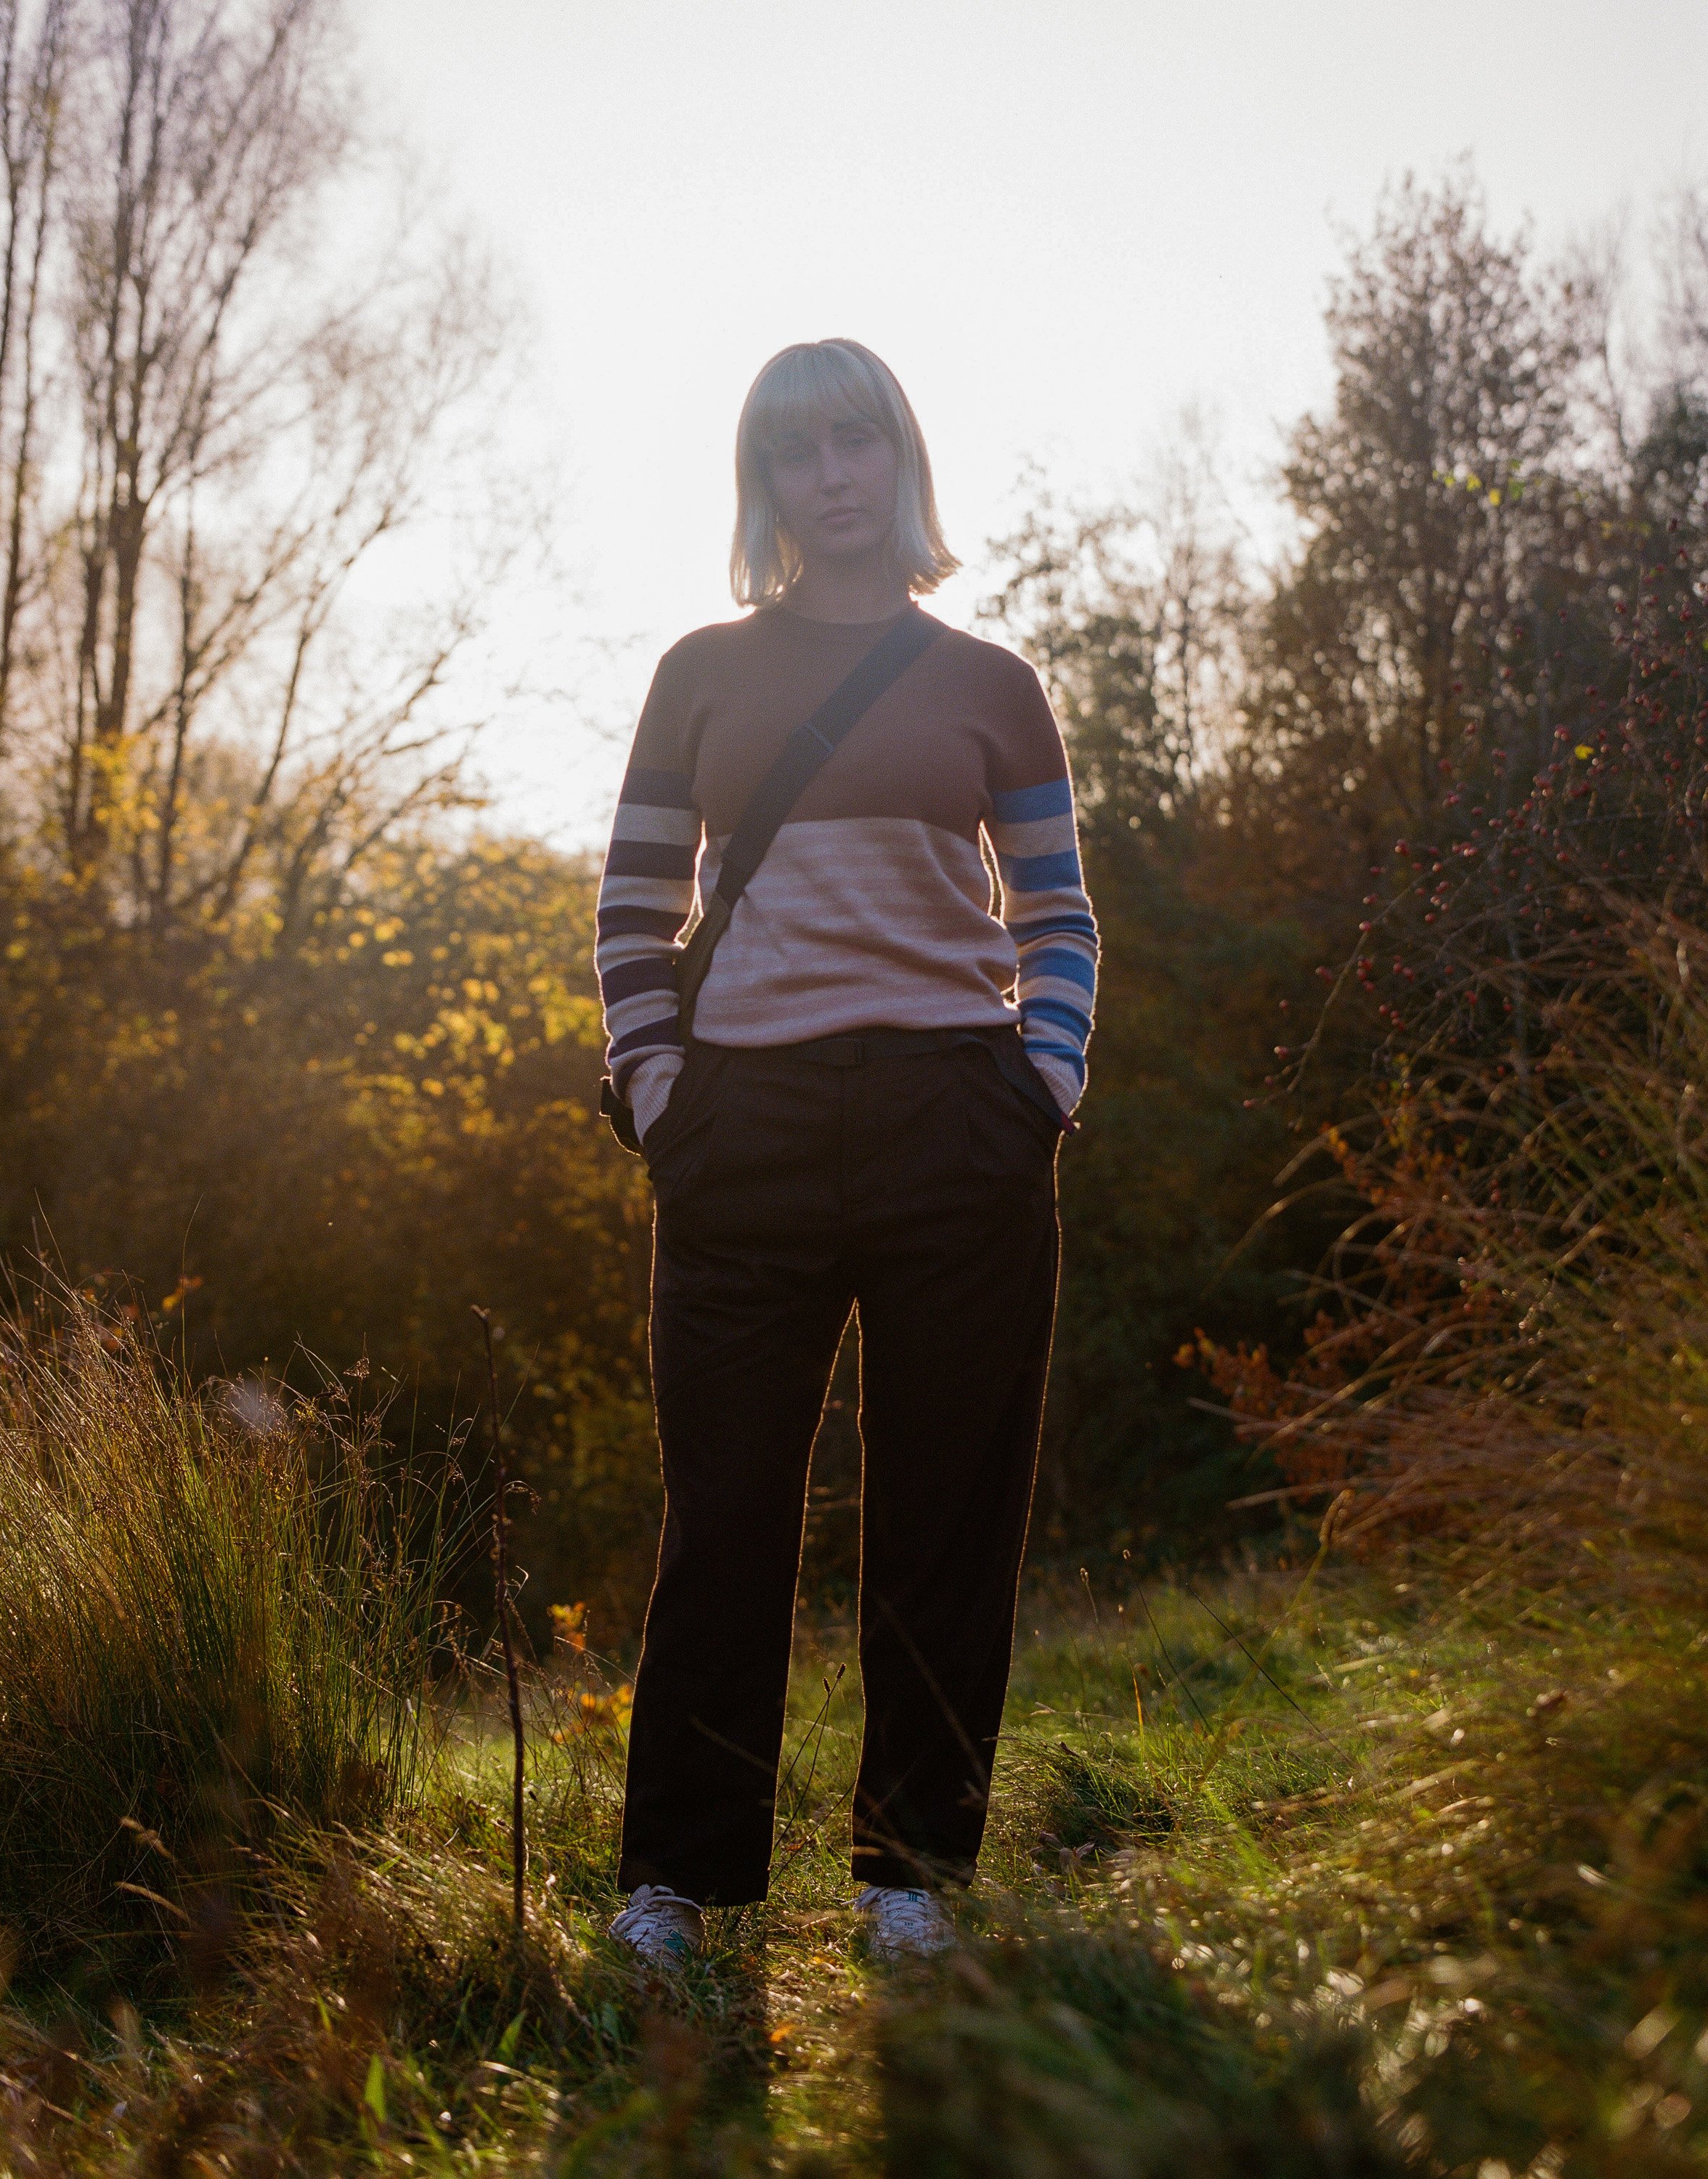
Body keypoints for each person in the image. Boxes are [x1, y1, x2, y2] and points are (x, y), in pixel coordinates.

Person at [595, 338, 1097, 1967]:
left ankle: (907, 1881)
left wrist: (1043, 1079)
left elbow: (1054, 909)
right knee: (725, 1513)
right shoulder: (697, 674)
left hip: (956, 1121)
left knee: (945, 1515)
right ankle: (675, 1887)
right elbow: (629, 905)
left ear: (899, 461)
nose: (831, 473)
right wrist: (659, 1087)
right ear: (763, 484)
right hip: (739, 1130)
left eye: (856, 440)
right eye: (796, 450)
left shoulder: (988, 684)